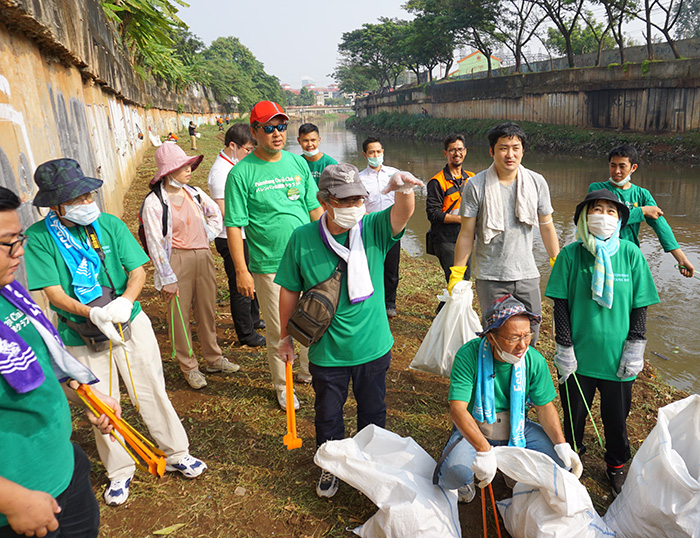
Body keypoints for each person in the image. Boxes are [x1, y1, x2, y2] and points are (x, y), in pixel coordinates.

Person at [24, 159, 208, 507]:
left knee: (151, 389)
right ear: (55, 205)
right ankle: (119, 470)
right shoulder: (39, 239)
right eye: (75, 199)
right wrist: (92, 312)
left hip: (130, 323)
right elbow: (54, 293)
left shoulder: (108, 225)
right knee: (101, 402)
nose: (84, 203)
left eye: (86, 194)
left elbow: (136, 270)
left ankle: (176, 452)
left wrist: (125, 301)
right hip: (82, 334)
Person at [276, 163, 423, 498]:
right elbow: (288, 290)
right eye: (344, 200)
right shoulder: (302, 238)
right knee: (328, 415)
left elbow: (403, 212)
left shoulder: (372, 228)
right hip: (328, 353)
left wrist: (402, 187)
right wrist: (286, 337)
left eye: (359, 198)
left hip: (372, 347)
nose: (354, 206)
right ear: (325, 200)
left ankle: (373, 465)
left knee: (373, 411)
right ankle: (331, 465)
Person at [0, 186, 121, 537]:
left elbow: (38, 367)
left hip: (63, 471)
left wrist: (82, 394)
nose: (19, 252)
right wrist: (11, 500)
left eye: (18, 238)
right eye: (8, 243)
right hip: (20, 505)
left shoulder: (10, 294)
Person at [545, 189, 659, 497]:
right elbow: (561, 305)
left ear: (620, 219)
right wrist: (564, 346)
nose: (604, 217)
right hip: (578, 358)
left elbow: (640, 305)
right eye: (597, 209)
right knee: (574, 415)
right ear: (584, 216)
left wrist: (636, 345)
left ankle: (616, 464)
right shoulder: (571, 254)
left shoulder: (631, 254)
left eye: (611, 211)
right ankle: (573, 457)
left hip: (618, 359)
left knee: (616, 418)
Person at [435, 295, 583, 504]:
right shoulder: (468, 356)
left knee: (560, 465)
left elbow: (544, 407)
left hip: (517, 425)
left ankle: (510, 467)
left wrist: (561, 444)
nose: (522, 345)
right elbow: (458, 410)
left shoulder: (534, 360)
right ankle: (467, 481)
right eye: (513, 338)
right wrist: (484, 450)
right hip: (477, 424)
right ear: (491, 337)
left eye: (526, 335)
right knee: (454, 473)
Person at [225, 101, 323, 410]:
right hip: (269, 264)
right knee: (281, 328)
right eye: (269, 128)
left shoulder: (297, 164)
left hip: (306, 258)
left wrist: (332, 244)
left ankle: (308, 371)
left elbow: (313, 208)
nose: (277, 133)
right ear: (255, 132)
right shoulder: (241, 173)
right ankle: (284, 385)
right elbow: (234, 226)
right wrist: (241, 270)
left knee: (314, 317)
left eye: (281, 127)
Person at [450, 122, 560, 344]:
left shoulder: (537, 182)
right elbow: (466, 233)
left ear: (522, 150)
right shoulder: (475, 185)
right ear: (492, 151)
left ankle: (523, 378)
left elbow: (547, 226)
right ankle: (495, 378)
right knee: (498, 337)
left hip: (527, 274)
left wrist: (556, 260)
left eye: (515, 147)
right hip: (491, 276)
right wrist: (457, 273)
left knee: (530, 335)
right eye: (503, 148)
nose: (510, 154)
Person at [142, 144, 238, 390]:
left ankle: (214, 358)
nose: (189, 170)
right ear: (168, 171)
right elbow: (154, 242)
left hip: (202, 256)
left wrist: (204, 234)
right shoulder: (154, 203)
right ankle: (189, 366)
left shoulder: (193, 193)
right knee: (179, 315)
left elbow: (216, 214)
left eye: (188, 165)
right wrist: (166, 277)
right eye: (182, 166)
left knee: (207, 309)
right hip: (176, 260)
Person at [588, 144, 695, 278]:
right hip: (600, 253)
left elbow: (660, 225)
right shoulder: (598, 189)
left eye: (622, 166)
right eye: (612, 165)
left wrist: (681, 259)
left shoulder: (642, 194)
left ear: (633, 168)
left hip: (629, 255)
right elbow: (604, 223)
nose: (616, 171)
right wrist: (642, 211)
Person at [207, 123, 266, 348]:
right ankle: (246, 333)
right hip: (231, 236)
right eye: (248, 150)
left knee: (251, 278)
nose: (250, 154)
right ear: (233, 146)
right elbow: (224, 211)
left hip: (244, 233)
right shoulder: (221, 172)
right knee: (240, 283)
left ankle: (253, 319)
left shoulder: (234, 163)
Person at [358, 136, 401, 318]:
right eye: (371, 152)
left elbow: (402, 201)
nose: (375, 155)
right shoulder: (359, 178)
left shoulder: (394, 174)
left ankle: (389, 303)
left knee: (391, 268)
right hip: (370, 229)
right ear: (365, 155)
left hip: (392, 229)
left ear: (383, 152)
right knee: (371, 266)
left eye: (378, 151)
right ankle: (372, 301)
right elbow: (358, 205)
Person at [426, 133, 475, 285]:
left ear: (465, 151)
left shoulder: (472, 179)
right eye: (452, 150)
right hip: (445, 238)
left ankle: (449, 309)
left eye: (460, 149)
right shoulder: (437, 181)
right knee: (455, 280)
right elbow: (433, 214)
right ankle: (449, 308)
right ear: (445, 153)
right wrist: (462, 219)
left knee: (465, 279)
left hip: (466, 236)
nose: (457, 153)